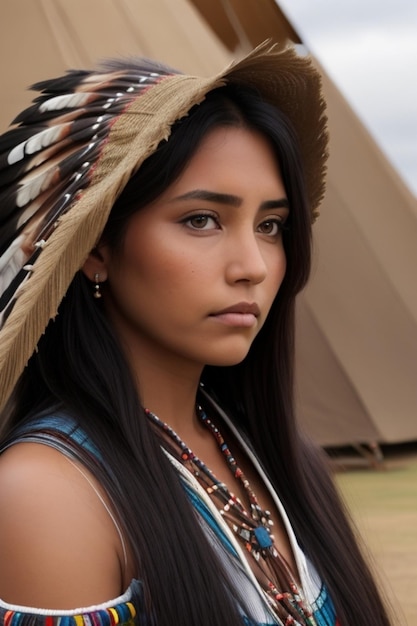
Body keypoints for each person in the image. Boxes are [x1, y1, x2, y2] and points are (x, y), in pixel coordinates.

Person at [0, 43, 391, 626]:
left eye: (270, 225)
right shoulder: (46, 495)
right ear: (98, 246)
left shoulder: (279, 459)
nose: (252, 265)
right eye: (201, 219)